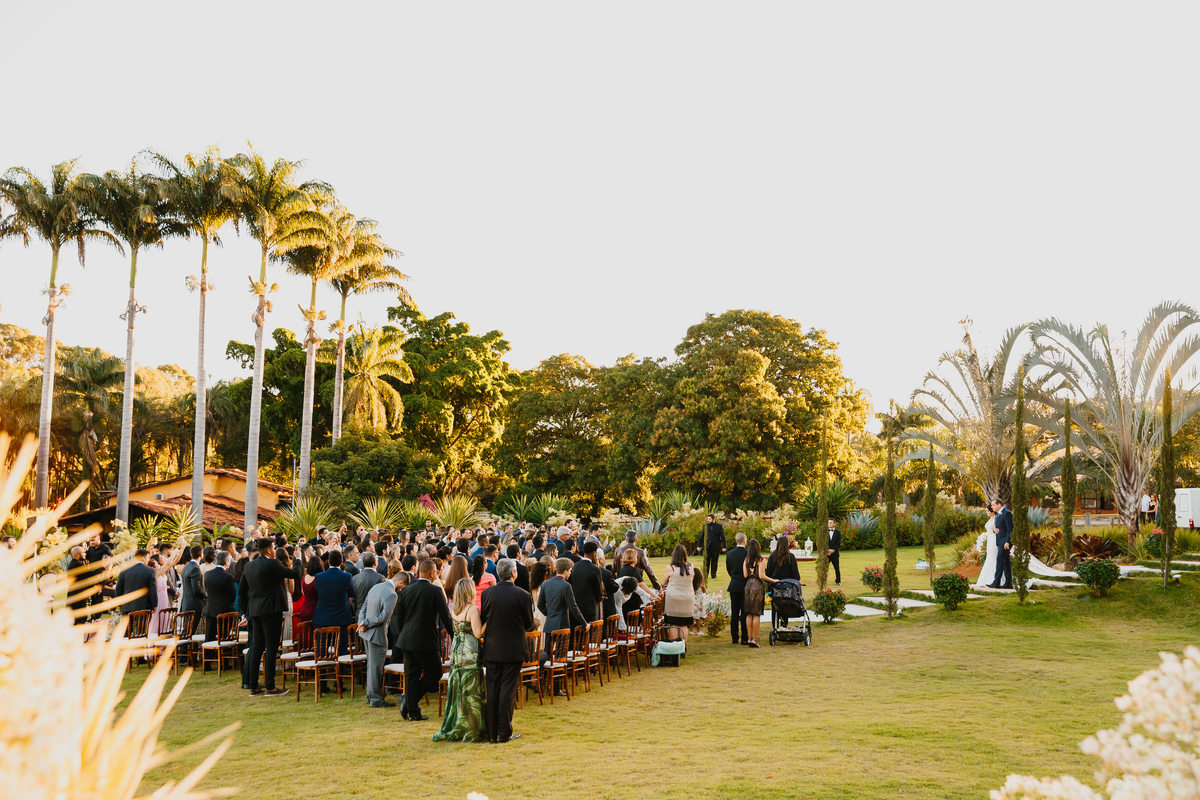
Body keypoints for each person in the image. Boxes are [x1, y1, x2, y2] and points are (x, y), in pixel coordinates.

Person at [479, 558, 532, 743]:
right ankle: (503, 732)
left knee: (493, 688)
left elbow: (484, 616)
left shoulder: (487, 594)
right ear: (513, 573)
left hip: (493, 647)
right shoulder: (523, 595)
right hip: (513, 648)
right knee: (507, 690)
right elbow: (529, 622)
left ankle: (492, 732)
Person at [394, 559, 454, 721]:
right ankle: (410, 703)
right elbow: (446, 618)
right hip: (426, 641)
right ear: (432, 573)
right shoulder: (435, 591)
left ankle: (412, 710)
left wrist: (403, 635)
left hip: (407, 639)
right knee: (435, 672)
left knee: (412, 675)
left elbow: (399, 618)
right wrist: (455, 637)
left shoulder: (405, 591)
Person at [238, 538, 300, 696]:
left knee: (257, 647)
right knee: (271, 648)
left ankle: (253, 686)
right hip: (272, 610)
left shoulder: (248, 566)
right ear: (268, 551)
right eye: (273, 548)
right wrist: (298, 558)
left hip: (254, 612)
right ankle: (270, 687)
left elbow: (242, 591)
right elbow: (294, 574)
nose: (274, 550)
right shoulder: (272, 564)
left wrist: (245, 612)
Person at [433, 577, 487, 742]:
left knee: (459, 691)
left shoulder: (455, 609)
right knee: (472, 692)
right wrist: (488, 621)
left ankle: (459, 723)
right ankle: (472, 728)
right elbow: (478, 633)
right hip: (470, 653)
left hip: (457, 652)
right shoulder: (472, 610)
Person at [537, 558, 585, 696]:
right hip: (562, 626)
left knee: (546, 655)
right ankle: (556, 688)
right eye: (570, 570)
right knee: (559, 657)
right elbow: (573, 607)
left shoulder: (546, 584)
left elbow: (540, 605)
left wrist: (550, 614)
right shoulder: (566, 586)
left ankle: (540, 684)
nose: (570, 573)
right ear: (565, 571)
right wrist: (584, 623)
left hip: (549, 624)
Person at [357, 565, 403, 708]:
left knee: (372, 665)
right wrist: (367, 622)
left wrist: (362, 623)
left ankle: (370, 696)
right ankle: (376, 699)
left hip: (365, 633)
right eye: (402, 587)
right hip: (377, 634)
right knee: (376, 667)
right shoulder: (392, 594)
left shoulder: (376, 587)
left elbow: (363, 608)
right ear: (400, 583)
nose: (401, 590)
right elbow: (384, 617)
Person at [313, 549, 356, 655]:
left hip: (323, 616)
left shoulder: (319, 577)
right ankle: (341, 670)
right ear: (342, 562)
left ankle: (321, 670)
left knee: (321, 648)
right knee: (341, 648)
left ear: (328, 562)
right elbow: (353, 592)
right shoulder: (347, 576)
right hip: (341, 616)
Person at [567, 540, 608, 624]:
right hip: (589, 607)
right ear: (594, 554)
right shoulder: (595, 569)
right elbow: (598, 590)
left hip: (574, 607)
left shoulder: (575, 566)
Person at [661, 545, 696, 642]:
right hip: (687, 597)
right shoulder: (691, 566)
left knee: (673, 624)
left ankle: (673, 647)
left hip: (674, 597)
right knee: (683, 624)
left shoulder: (670, 568)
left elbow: (664, 582)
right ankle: (682, 647)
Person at [202, 552, 237, 641]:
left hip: (210, 609)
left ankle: (208, 655)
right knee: (223, 638)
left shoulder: (208, 574)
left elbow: (207, 589)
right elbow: (233, 594)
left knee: (209, 638)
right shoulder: (227, 576)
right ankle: (221, 654)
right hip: (224, 611)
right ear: (227, 562)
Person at [114, 549, 158, 616]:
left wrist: (121, 604)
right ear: (143, 558)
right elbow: (152, 590)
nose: (148, 560)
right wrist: (154, 605)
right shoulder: (149, 571)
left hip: (126, 606)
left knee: (128, 626)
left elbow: (118, 589)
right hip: (143, 607)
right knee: (142, 626)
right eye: (148, 557)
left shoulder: (124, 570)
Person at [741, 539, 766, 647]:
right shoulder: (761, 560)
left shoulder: (746, 560)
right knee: (756, 613)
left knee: (749, 613)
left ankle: (749, 638)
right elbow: (761, 576)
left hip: (747, 586)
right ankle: (755, 639)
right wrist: (773, 580)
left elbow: (745, 575)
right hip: (757, 586)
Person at [725, 533, 748, 645]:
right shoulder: (748, 554)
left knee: (734, 612)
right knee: (744, 612)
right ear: (744, 541)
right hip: (745, 584)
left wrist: (734, 577)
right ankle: (745, 637)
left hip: (734, 584)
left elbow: (729, 569)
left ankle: (734, 637)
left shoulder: (730, 554)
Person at [989, 499, 1013, 589]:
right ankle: (1008, 583)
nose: (992, 507)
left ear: (999, 504)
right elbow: (999, 528)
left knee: (999, 560)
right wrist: (994, 530)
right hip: (1000, 542)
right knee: (1006, 562)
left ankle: (996, 582)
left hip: (1005, 542)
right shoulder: (998, 515)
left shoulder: (1007, 513)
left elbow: (1010, 529)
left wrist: (1007, 542)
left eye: (993, 505)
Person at [352, 551, 385, 617]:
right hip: (374, 616)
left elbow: (353, 600)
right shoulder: (380, 578)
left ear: (363, 563)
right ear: (375, 563)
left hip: (359, 615)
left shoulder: (355, 578)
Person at [696, 514, 727, 580]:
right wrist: (699, 546)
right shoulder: (705, 526)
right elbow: (701, 536)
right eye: (707, 519)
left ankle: (714, 575)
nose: (708, 520)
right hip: (707, 547)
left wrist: (724, 546)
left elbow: (723, 537)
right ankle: (705, 575)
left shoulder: (719, 526)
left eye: (709, 519)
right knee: (706, 562)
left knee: (714, 562)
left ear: (713, 519)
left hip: (716, 547)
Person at [975, 506, 1000, 589]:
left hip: (994, 541)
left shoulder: (996, 519)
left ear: (992, 511)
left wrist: (994, 529)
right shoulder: (991, 519)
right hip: (989, 541)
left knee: (993, 558)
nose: (986, 512)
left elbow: (998, 530)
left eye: (987, 511)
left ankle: (994, 580)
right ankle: (987, 579)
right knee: (989, 557)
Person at [178, 545, 207, 617]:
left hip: (186, 604)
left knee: (188, 627)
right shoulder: (195, 568)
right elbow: (196, 589)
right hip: (194, 605)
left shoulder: (186, 567)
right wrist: (206, 594)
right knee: (192, 627)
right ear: (201, 555)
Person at [826, 518, 842, 585]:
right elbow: (823, 542)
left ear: (834, 524)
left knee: (836, 568)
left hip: (835, 554)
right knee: (824, 568)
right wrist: (828, 551)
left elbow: (838, 543)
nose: (830, 524)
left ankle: (838, 581)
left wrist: (833, 550)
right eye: (829, 523)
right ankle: (823, 580)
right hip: (827, 553)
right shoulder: (825, 532)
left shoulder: (838, 533)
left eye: (831, 523)